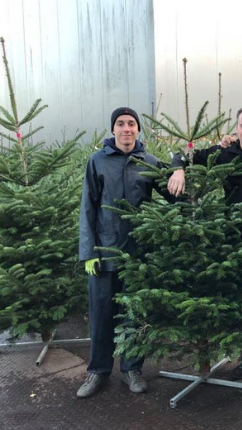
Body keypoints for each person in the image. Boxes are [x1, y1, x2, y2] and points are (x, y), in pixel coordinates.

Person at [165, 106, 242, 393]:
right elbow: (184, 154)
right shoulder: (223, 155)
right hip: (235, 241)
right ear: (236, 130)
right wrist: (179, 169)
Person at [77, 107, 170, 398]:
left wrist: (179, 166)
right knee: (102, 313)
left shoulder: (149, 162)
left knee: (133, 314)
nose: (126, 128)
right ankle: (98, 371)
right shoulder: (98, 162)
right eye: (121, 124)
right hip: (104, 253)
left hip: (138, 253)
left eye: (131, 124)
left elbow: (174, 192)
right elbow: (87, 207)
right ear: (113, 129)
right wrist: (88, 252)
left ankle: (131, 369)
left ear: (138, 130)